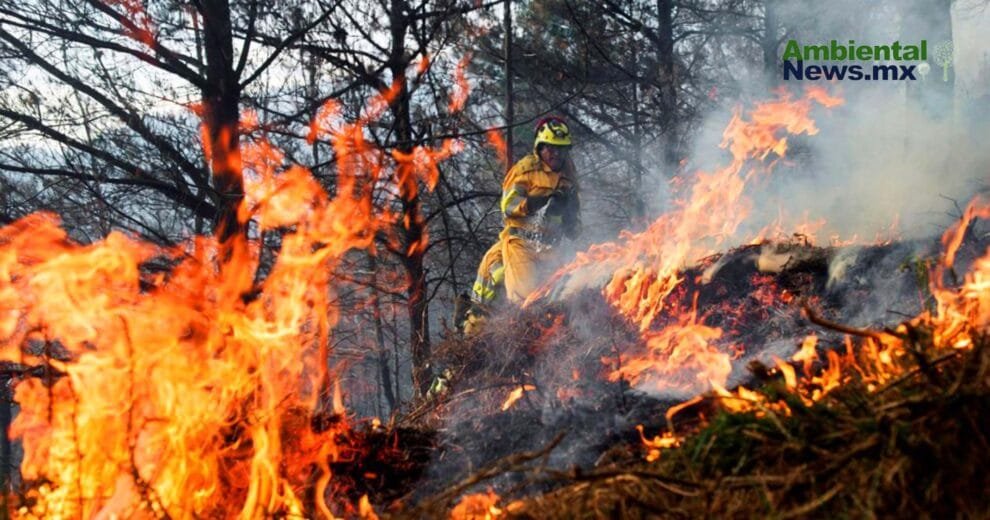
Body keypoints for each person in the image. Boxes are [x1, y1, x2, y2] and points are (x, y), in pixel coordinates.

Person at [498, 116, 581, 303]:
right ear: (540, 147)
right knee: (526, 300)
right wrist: (536, 203)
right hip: (521, 244)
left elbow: (576, 230)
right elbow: (507, 206)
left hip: (552, 249)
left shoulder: (569, 179)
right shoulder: (525, 170)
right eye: (550, 148)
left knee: (558, 302)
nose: (555, 154)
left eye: (560, 149)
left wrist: (568, 217)